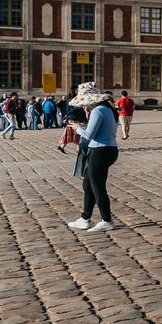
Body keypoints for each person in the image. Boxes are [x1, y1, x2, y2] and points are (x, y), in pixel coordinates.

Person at [66, 82, 120, 232]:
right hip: (108, 149)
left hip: (100, 151)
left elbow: (89, 135)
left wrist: (77, 128)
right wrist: (82, 126)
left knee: (97, 186)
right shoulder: (107, 109)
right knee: (88, 185)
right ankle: (85, 218)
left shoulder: (98, 111)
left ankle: (107, 220)